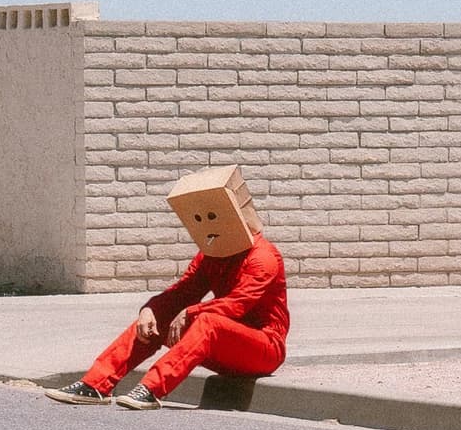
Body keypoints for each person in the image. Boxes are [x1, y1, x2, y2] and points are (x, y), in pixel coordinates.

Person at [46, 168, 290, 410]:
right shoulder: (212, 255)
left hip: (265, 349)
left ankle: (151, 389)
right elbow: (182, 292)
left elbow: (237, 304)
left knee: (208, 322)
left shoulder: (263, 257)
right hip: (223, 346)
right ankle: (95, 385)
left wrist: (190, 313)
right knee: (158, 318)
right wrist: (150, 309)